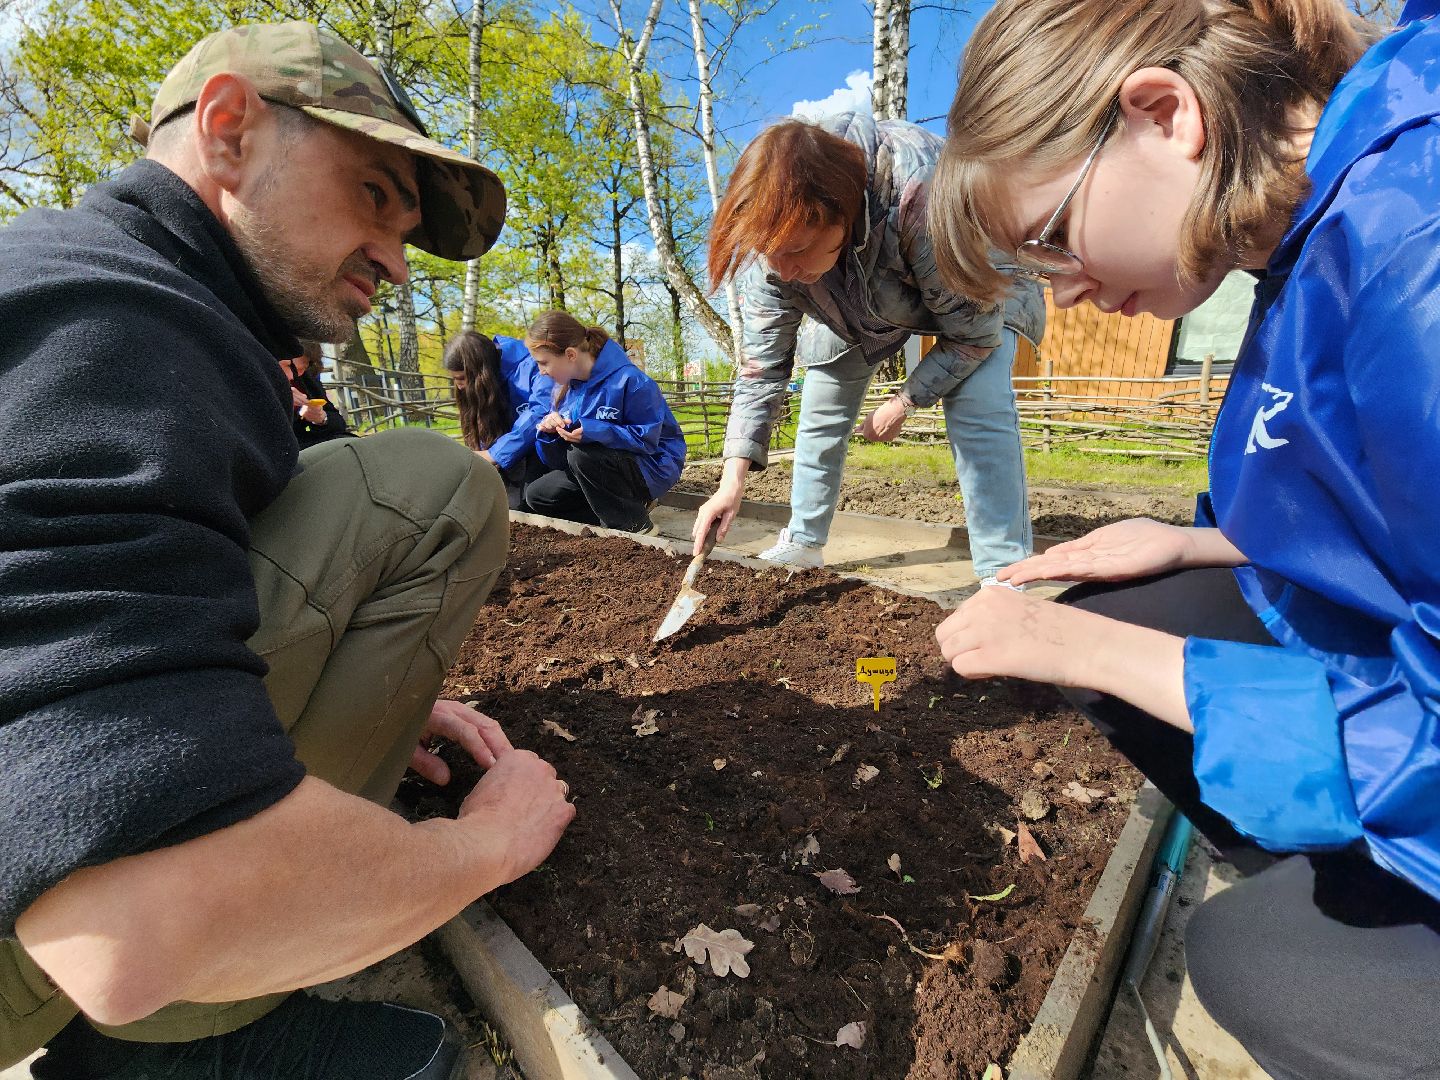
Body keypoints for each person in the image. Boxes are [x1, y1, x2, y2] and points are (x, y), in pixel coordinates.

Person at [0, 22, 575, 1080]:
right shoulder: (109, 331)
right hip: (45, 933)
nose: (398, 265)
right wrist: (483, 847)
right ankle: (172, 1052)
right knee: (437, 491)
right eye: (372, 196)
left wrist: (356, 674)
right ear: (227, 131)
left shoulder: (127, 295)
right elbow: (117, 934)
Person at [926, 2, 1440, 1076]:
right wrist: (1191, 543)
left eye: (1053, 238)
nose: (1062, 291)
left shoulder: (1412, 258)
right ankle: (1333, 867)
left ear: (1166, 114)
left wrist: (1086, 655)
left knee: (1257, 965)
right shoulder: (1309, 232)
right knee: (1124, 605)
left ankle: (1340, 913)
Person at [690, 113, 1045, 582]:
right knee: (822, 400)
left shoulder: (921, 195)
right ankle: (803, 541)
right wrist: (730, 481)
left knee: (979, 405)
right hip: (852, 295)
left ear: (838, 212)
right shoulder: (775, 252)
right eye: (773, 255)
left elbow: (973, 336)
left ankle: (1004, 573)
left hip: (977, 283)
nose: (784, 269)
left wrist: (904, 402)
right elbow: (762, 371)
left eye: (796, 250)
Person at [521, 310, 686, 534]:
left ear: (570, 354)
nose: (541, 372)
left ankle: (636, 525)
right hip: (595, 468)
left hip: (652, 467)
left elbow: (647, 441)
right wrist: (551, 434)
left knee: (582, 454)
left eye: (543, 363)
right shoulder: (567, 389)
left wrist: (593, 431)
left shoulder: (631, 381)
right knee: (538, 495)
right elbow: (560, 462)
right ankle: (615, 517)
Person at [442, 329, 551, 509]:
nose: (459, 387)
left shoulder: (532, 365)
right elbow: (485, 418)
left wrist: (494, 454)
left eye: (461, 378)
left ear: (480, 372)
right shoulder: (483, 380)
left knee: (529, 503)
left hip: (540, 447)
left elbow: (539, 412)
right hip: (507, 450)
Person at [280, 340, 353, 450]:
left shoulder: (306, 380)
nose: (294, 375)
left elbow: (338, 422)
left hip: (311, 444)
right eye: (291, 367)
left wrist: (321, 418)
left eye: (303, 368)